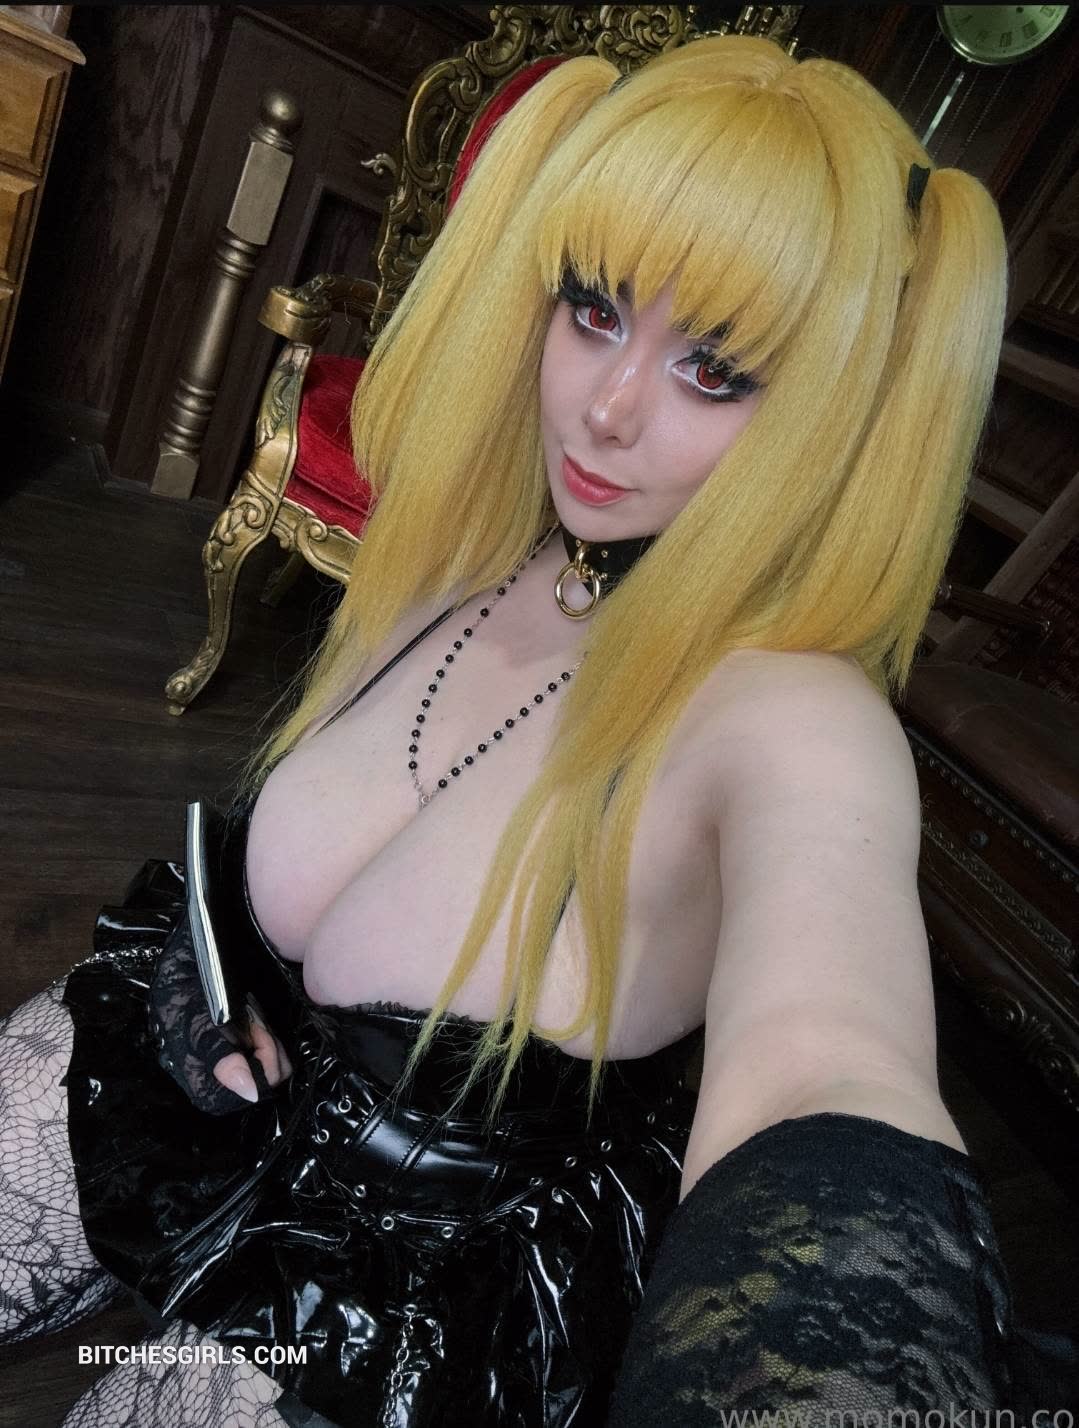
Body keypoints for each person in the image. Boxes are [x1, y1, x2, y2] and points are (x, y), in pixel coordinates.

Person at [2, 30, 1074, 1428]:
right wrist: (207, 987)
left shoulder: (796, 719)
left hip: (405, 1307)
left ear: (834, 418)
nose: (606, 409)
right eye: (595, 308)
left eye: (717, 370)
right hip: (199, 1108)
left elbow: (829, 1061)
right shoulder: (481, 549)